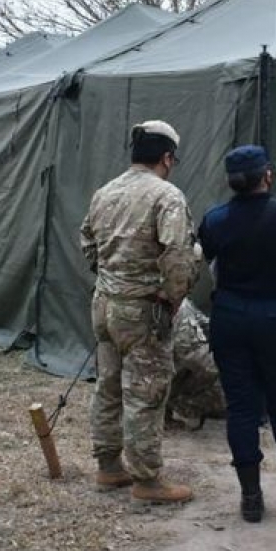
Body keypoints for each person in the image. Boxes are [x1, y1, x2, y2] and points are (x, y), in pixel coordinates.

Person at [197, 144, 276, 523]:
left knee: (241, 407)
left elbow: (201, 257)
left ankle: (251, 498)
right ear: (267, 175)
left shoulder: (216, 220)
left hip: (231, 317)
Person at [80, 120, 201, 505]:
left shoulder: (104, 192)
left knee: (109, 386)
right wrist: (172, 297)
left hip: (104, 305)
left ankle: (108, 465)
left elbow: (87, 243)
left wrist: (112, 277)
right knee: (146, 392)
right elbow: (178, 256)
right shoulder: (166, 196)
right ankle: (147, 481)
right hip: (143, 309)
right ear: (166, 157)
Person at [166, 298, 227, 430]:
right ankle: (183, 408)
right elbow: (192, 356)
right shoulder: (178, 308)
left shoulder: (184, 303)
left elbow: (205, 323)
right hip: (166, 372)